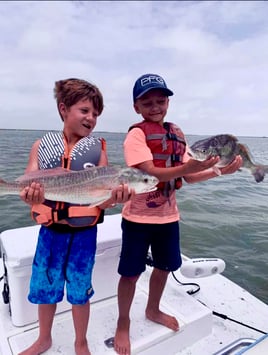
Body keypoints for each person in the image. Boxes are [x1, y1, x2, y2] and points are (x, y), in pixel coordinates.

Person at [113, 73, 243, 355]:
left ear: (168, 103)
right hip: (137, 219)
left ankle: (153, 309)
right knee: (131, 274)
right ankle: (123, 322)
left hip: (168, 218)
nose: (155, 106)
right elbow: (151, 173)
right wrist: (188, 169)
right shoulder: (136, 135)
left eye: (160, 100)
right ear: (136, 107)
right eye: (147, 102)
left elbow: (190, 176)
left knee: (164, 267)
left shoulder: (177, 134)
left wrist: (221, 170)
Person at [19, 78, 134, 355]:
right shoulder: (41, 145)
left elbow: (103, 199)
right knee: (46, 288)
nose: (91, 118)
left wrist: (116, 198)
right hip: (51, 232)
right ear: (63, 109)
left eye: (95, 114)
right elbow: (28, 184)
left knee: (80, 291)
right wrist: (28, 196)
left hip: (83, 235)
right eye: (84, 111)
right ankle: (43, 338)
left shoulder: (98, 150)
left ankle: (80, 342)